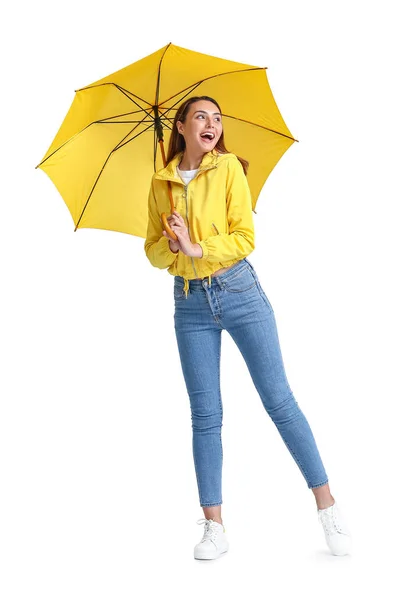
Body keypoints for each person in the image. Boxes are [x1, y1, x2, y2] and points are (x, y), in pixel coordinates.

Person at [144, 95, 352, 560]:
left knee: (279, 400)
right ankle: (214, 527)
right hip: (189, 302)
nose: (211, 124)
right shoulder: (161, 182)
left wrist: (198, 248)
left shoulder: (229, 169)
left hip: (239, 291)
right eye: (201, 116)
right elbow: (151, 252)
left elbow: (245, 237)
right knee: (206, 414)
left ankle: (327, 506)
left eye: (217, 118)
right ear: (180, 127)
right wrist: (173, 244)